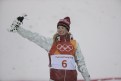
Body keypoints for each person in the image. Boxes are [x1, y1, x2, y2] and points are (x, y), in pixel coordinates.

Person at [10, 16, 91, 81]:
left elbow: (81, 64)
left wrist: (87, 78)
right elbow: (35, 37)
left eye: (62, 27)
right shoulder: (52, 43)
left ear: (67, 29)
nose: (60, 29)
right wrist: (18, 29)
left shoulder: (74, 44)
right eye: (58, 27)